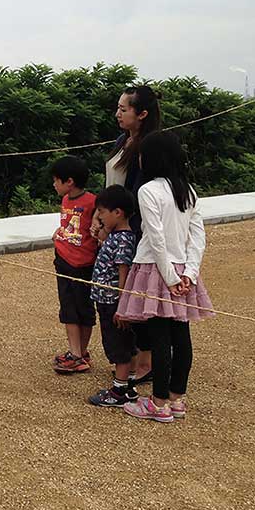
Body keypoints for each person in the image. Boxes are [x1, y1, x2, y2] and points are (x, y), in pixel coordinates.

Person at [117, 131, 213, 423]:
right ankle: (176, 399)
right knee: (181, 335)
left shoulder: (148, 190)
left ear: (154, 158)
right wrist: (189, 273)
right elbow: (197, 238)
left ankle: (158, 403)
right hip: (182, 269)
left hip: (156, 269)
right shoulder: (188, 190)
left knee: (160, 336)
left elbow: (155, 238)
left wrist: (170, 277)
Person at [105, 84, 162, 386]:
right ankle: (129, 357)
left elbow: (140, 197)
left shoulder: (149, 149)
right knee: (118, 292)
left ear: (142, 114)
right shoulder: (121, 140)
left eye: (123, 109)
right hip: (115, 228)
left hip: (134, 232)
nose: (117, 114)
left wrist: (120, 226)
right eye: (118, 108)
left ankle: (147, 361)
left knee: (137, 294)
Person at [86, 186, 139, 407]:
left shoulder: (124, 239)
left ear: (117, 212)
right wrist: (99, 229)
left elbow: (123, 271)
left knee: (119, 347)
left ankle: (119, 391)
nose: (99, 217)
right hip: (106, 300)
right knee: (123, 344)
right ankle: (128, 387)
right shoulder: (116, 235)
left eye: (102, 212)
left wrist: (122, 305)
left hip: (113, 302)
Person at [50, 156, 98, 373]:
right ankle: (75, 351)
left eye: (56, 180)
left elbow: (98, 230)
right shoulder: (65, 200)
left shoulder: (93, 202)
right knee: (68, 308)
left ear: (69, 181)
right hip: (63, 259)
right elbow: (68, 225)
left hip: (84, 263)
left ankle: (80, 353)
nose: (54, 184)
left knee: (84, 309)